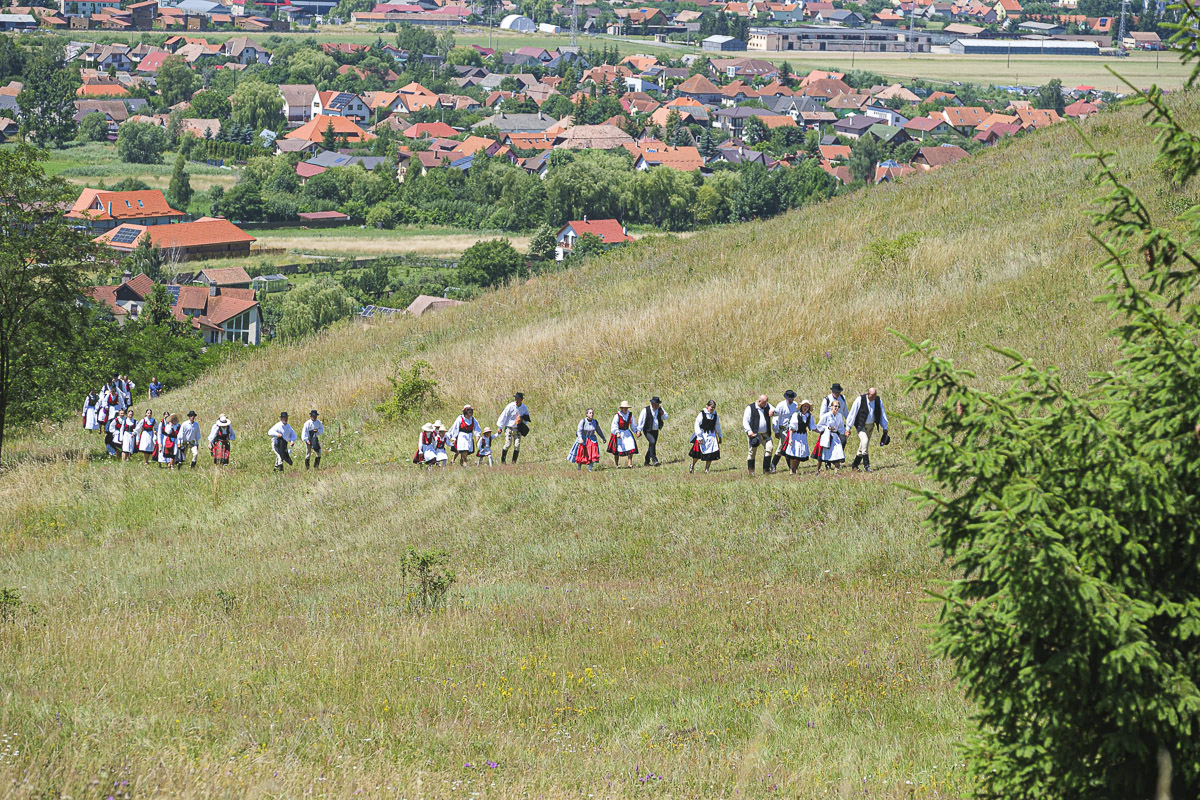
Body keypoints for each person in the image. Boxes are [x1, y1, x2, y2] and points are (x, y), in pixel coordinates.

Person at [846, 387, 889, 473]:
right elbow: (852, 413)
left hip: (871, 426)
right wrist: (848, 428)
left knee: (863, 446)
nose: (874, 398)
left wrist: (884, 427)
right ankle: (867, 466)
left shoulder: (878, 400)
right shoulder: (860, 399)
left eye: (875, 395)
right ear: (868, 394)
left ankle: (855, 465)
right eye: (872, 396)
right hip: (861, 426)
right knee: (864, 441)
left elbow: (882, 413)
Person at [742, 394, 776, 474]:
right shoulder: (750, 408)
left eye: (766, 403)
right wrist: (749, 431)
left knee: (769, 449)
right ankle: (751, 471)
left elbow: (776, 411)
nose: (765, 405)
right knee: (752, 452)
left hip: (766, 434)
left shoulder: (767, 405)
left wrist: (772, 411)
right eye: (764, 403)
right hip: (754, 434)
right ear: (759, 401)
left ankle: (766, 470)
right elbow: (745, 421)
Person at [781, 399, 816, 474]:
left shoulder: (809, 416)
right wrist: (790, 439)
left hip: (803, 437)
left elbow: (813, 427)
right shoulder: (796, 415)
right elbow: (792, 429)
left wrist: (821, 432)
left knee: (800, 454)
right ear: (801, 407)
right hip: (795, 436)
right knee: (794, 454)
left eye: (807, 406)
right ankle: (791, 470)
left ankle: (795, 469)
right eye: (804, 406)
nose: (805, 408)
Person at [496, 392, 530, 464]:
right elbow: (504, 416)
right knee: (508, 444)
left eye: (518, 398)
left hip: (518, 428)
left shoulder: (524, 408)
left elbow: (527, 418)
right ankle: (503, 460)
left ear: (521, 399)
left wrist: (522, 420)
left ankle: (514, 462)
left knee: (517, 445)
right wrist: (500, 427)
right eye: (515, 398)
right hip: (509, 428)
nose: (516, 400)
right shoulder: (510, 406)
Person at [815, 398, 848, 472]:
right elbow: (819, 426)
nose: (837, 408)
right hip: (826, 436)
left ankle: (836, 471)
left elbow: (841, 428)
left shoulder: (839, 416)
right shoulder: (826, 415)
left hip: (835, 436)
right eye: (835, 406)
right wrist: (828, 428)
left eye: (838, 407)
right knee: (822, 454)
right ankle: (817, 470)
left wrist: (845, 432)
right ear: (831, 407)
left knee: (839, 453)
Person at [689, 400, 722, 474]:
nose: (713, 409)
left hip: (711, 436)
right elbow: (697, 425)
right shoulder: (701, 414)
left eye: (714, 408)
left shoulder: (715, 415)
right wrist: (699, 437)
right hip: (702, 436)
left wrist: (720, 436)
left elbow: (717, 426)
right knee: (697, 454)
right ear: (707, 407)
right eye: (711, 407)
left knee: (711, 453)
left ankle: (706, 469)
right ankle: (692, 466)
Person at [770, 390, 799, 473]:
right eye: (789, 399)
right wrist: (776, 430)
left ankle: (773, 464)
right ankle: (790, 466)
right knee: (786, 447)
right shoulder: (781, 405)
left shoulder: (795, 405)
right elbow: (776, 418)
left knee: (781, 447)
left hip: (792, 430)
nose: (791, 400)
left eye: (792, 398)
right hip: (783, 429)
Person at [637, 397, 667, 467]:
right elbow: (641, 420)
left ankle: (646, 461)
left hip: (656, 430)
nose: (657, 406)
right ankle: (654, 459)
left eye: (658, 404)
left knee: (652, 445)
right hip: (647, 430)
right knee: (652, 442)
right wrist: (639, 430)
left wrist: (662, 414)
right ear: (652, 404)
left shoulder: (660, 409)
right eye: (656, 404)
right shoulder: (645, 410)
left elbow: (665, 417)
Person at [607, 401, 639, 468]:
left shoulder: (630, 415)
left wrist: (636, 431)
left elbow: (633, 425)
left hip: (627, 432)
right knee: (617, 449)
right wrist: (617, 432)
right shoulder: (617, 415)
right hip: (619, 432)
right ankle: (616, 464)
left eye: (626, 408)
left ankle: (630, 464)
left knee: (631, 446)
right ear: (621, 408)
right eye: (624, 408)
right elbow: (614, 425)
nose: (625, 409)